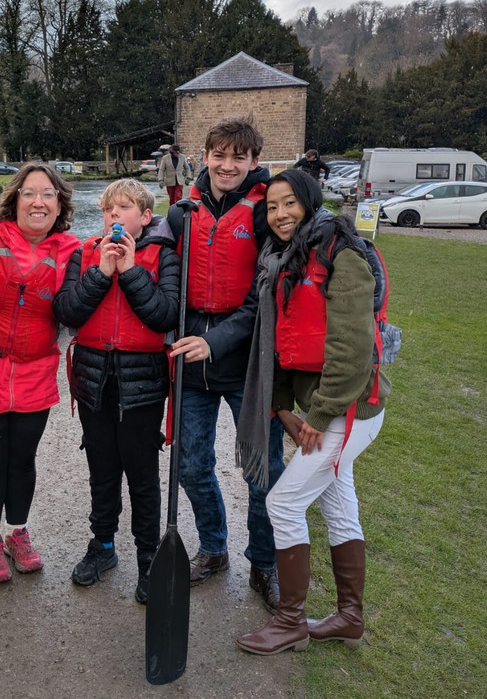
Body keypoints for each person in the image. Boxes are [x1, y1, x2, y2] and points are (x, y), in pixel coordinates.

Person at [235, 168, 389, 655]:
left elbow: (351, 349)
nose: (280, 215)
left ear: (309, 201)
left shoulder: (342, 253)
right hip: (323, 410)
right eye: (272, 207)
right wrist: (282, 408)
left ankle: (290, 622)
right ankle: (349, 617)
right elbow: (278, 341)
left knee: (283, 503)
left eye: (289, 204)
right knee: (339, 503)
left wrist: (318, 418)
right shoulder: (284, 258)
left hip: (349, 410)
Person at [166, 117, 286, 610]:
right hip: (192, 364)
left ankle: (264, 562)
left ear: (254, 162)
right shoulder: (181, 212)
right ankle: (214, 548)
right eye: (220, 155)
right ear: (206, 157)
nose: (228, 165)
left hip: (249, 361)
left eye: (239, 157)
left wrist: (214, 341)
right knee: (191, 466)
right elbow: (161, 260)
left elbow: (264, 298)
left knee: (263, 471)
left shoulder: (265, 216)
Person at [53, 179, 180, 603]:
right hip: (93, 379)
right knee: (102, 469)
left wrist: (128, 272)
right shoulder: (84, 253)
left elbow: (164, 314)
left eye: (124, 208)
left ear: (144, 217)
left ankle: (148, 557)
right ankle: (102, 545)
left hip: (141, 381)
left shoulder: (163, 255)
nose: (114, 216)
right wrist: (101, 273)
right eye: (109, 209)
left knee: (142, 475)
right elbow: (68, 310)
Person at [0, 162, 81, 584]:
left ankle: (17, 533)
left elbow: (80, 304)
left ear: (59, 203)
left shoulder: (71, 250)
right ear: (15, 199)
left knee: (23, 459)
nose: (38, 202)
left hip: (35, 373)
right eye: (29, 193)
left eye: (48, 194)